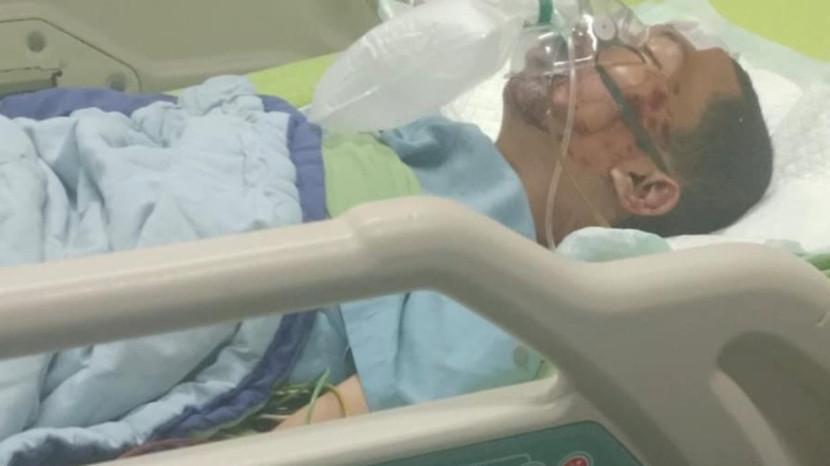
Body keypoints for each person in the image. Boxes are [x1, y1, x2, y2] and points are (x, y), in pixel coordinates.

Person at [277, 24, 773, 428]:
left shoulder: (487, 285)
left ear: (643, 186)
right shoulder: (434, 139)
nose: (593, 37)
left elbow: (310, 438)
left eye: (642, 55)